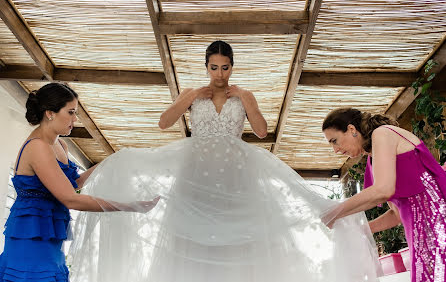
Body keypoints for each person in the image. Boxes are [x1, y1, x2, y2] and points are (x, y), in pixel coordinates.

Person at [68, 41, 382, 282]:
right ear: (206, 66)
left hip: (235, 173)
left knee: (240, 238)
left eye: (225, 67)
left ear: (232, 67)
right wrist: (190, 98)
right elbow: (164, 123)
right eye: (214, 67)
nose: (220, 74)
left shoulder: (243, 95)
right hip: (195, 172)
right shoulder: (193, 93)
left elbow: (260, 132)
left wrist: (246, 100)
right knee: (191, 237)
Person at [0, 83, 159, 282]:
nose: (75, 119)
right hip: (30, 239)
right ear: (50, 113)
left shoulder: (59, 144)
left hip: (50, 239)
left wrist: (110, 161)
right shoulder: (37, 147)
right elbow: (70, 199)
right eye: (71, 112)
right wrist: (128, 206)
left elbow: (73, 183)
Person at [322, 107, 446, 282]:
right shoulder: (373, 159)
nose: (335, 150)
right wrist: (361, 230)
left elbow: (382, 190)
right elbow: (396, 215)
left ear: (351, 129)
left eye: (335, 141)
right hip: (422, 235)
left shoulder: (382, 134)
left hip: (438, 225)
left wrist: (334, 212)